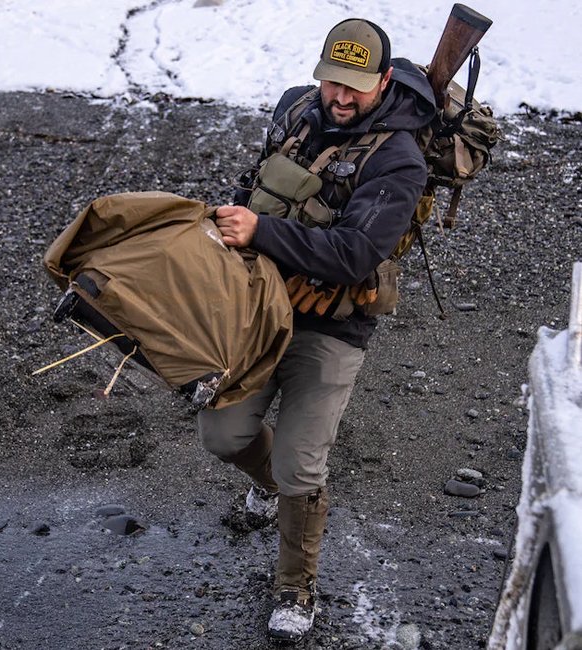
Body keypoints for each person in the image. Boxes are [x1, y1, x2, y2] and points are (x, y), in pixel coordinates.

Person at [198, 17, 436, 644]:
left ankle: (294, 587)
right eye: (333, 81)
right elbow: (255, 182)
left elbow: (356, 254)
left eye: (356, 85)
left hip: (332, 325)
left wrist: (260, 231)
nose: (341, 97)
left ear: (384, 79)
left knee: (302, 467)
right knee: (223, 434)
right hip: (259, 305)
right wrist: (231, 215)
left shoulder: (399, 160)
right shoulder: (296, 110)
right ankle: (269, 486)